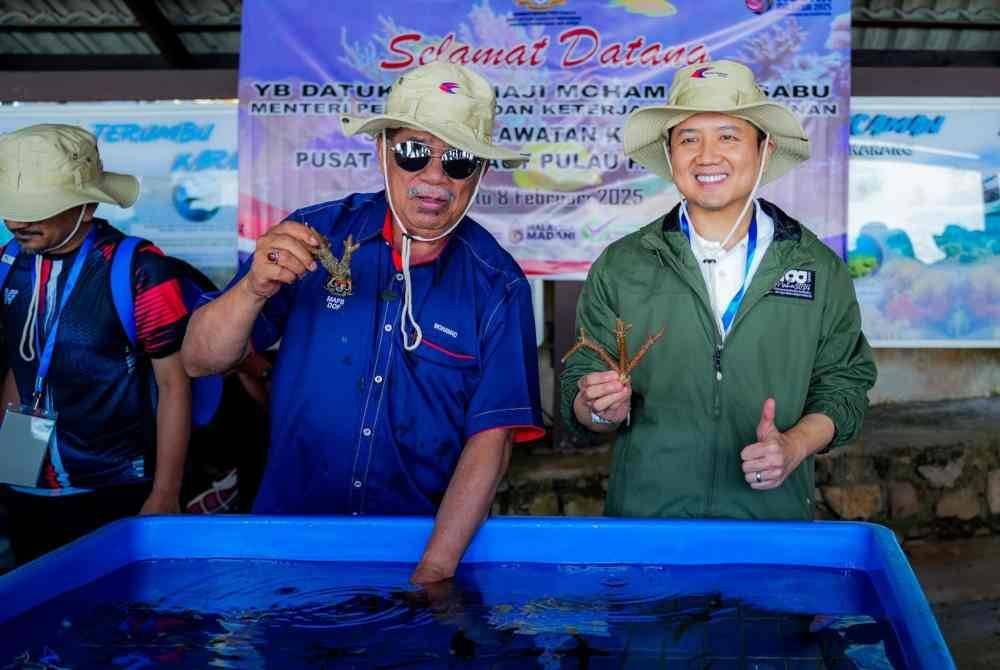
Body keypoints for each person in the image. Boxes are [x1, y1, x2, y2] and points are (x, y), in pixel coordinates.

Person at [182, 62, 544, 584]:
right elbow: (198, 359)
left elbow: (492, 440)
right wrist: (252, 288)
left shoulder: (499, 285)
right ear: (383, 151)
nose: (435, 177)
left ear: (480, 174)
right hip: (288, 540)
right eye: (415, 152)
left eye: (459, 161)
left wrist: (433, 573)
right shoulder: (311, 235)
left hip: (415, 546)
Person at [560, 60, 876, 520]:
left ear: (764, 149)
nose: (707, 156)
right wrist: (599, 406)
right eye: (689, 138)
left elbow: (845, 387)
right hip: (648, 524)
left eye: (728, 136)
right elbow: (581, 394)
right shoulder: (623, 265)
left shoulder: (816, 269)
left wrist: (793, 445)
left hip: (770, 526)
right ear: (670, 155)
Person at [0, 124, 192, 565]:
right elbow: (20, 367)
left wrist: (165, 493)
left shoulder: (139, 269)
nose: (16, 221)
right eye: (13, 207)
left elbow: (174, 385)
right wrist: (7, 470)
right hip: (25, 486)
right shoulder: (11, 262)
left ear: (87, 206)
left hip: (113, 491)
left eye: (36, 208)